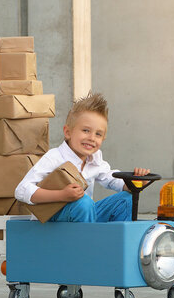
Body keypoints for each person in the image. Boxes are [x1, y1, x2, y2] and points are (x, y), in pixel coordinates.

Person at [15, 91, 150, 222]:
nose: (91, 138)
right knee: (83, 202)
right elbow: (21, 190)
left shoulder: (95, 159)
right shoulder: (55, 157)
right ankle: (87, 243)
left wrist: (135, 183)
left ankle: (117, 242)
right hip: (55, 220)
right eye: (86, 131)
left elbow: (112, 180)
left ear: (103, 138)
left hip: (84, 216)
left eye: (98, 134)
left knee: (126, 199)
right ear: (68, 132)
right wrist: (62, 195)